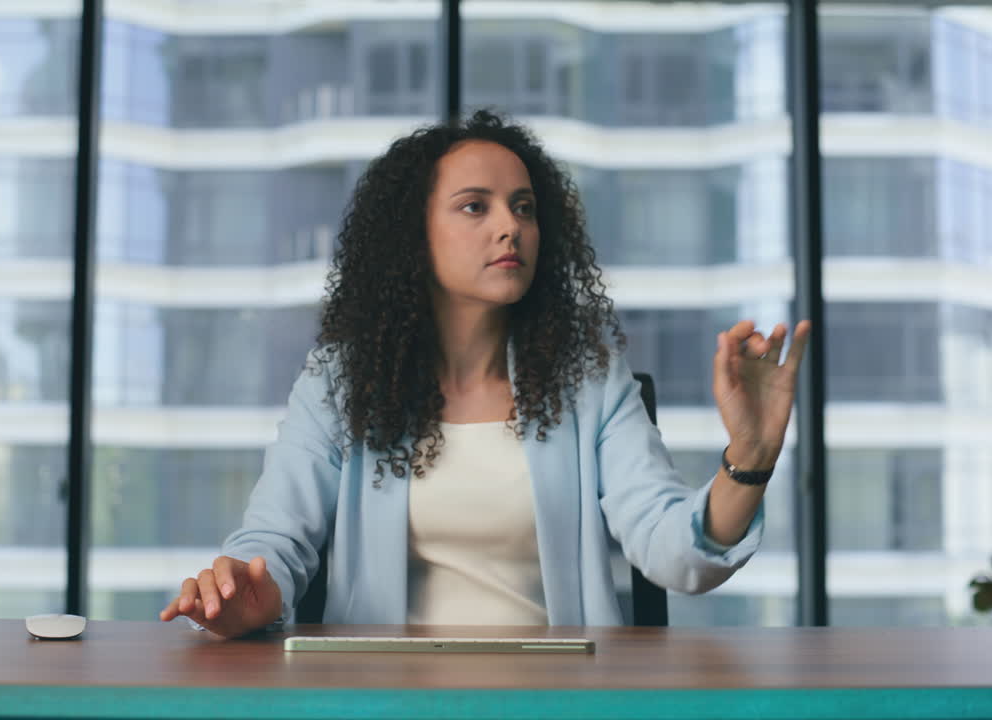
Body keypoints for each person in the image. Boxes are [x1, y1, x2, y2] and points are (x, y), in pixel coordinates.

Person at [159, 109, 811, 639]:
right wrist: (243, 595)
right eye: (477, 207)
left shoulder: (588, 378)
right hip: (381, 701)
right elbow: (275, 543)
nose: (512, 227)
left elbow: (676, 552)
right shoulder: (340, 381)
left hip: (559, 702)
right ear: (415, 236)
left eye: (524, 207)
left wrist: (748, 459)